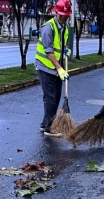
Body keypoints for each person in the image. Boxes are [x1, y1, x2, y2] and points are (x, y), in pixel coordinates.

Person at [35, 0, 71, 137]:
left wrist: (66, 50)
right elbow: (49, 51)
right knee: (50, 98)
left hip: (56, 68)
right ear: (56, 12)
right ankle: (50, 128)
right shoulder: (48, 28)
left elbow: (62, 44)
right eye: (61, 14)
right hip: (45, 67)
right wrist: (60, 68)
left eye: (66, 15)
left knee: (55, 97)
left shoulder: (65, 27)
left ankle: (45, 124)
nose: (64, 17)